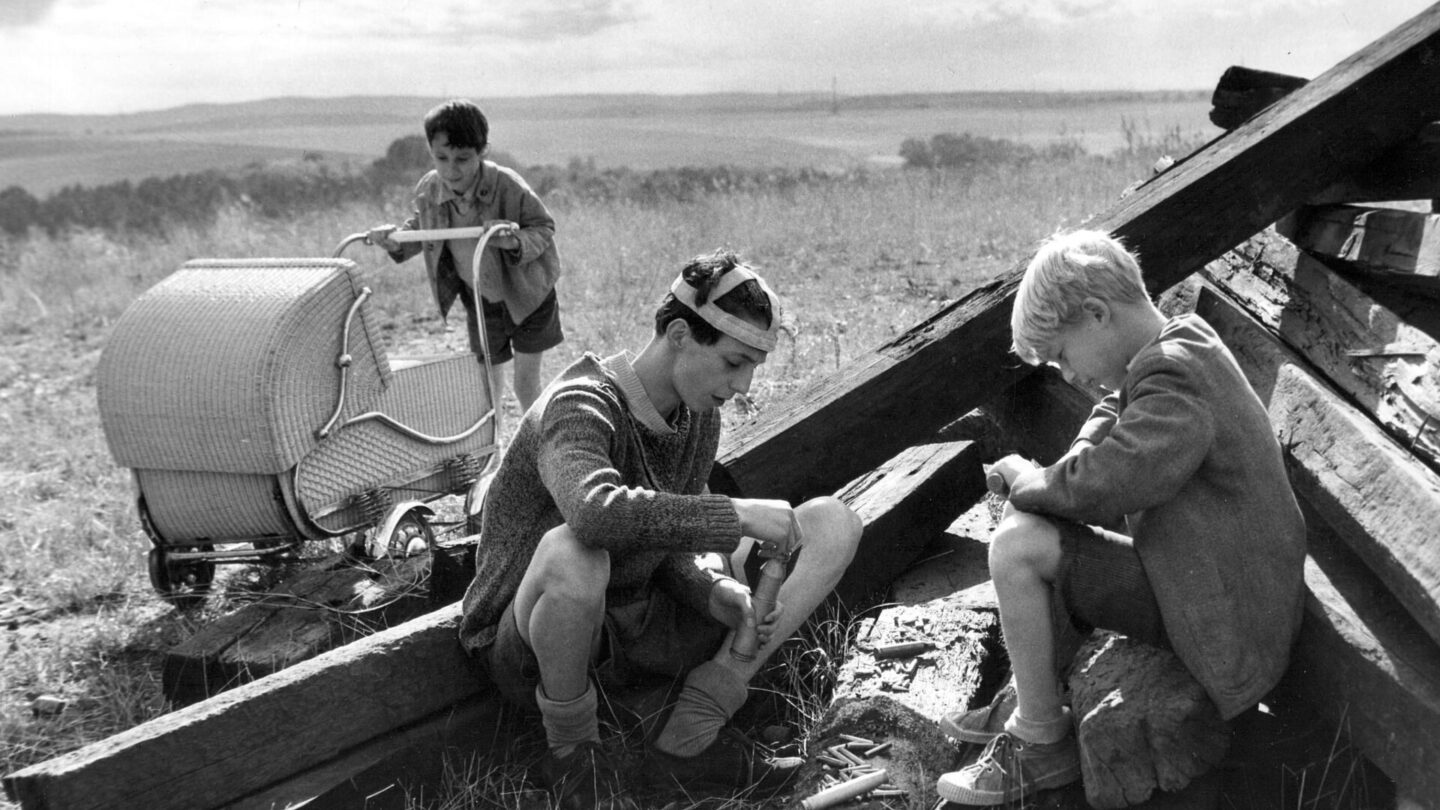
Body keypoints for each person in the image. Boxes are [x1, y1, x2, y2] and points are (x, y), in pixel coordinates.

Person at [457, 249, 863, 809]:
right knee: (576, 551)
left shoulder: (698, 416)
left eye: (752, 367)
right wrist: (736, 515)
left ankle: (692, 730)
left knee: (831, 523)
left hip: (639, 623)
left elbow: (666, 535)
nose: (743, 384)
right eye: (732, 362)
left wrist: (713, 590)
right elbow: (595, 512)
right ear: (679, 333)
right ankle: (574, 758)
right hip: (535, 644)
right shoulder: (578, 404)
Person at [935, 229, 1307, 805]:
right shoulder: (1176, 347)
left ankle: (1040, 744)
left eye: (1061, 354)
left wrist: (1033, 484)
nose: (1065, 374)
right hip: (1214, 590)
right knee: (1039, 528)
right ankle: (1028, 700)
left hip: (1225, 625)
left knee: (1018, 547)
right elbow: (1110, 414)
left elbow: (1117, 479)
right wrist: (1053, 475)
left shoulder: (1174, 376)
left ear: (1095, 314)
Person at [369, 98, 563, 414]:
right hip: (480, 297)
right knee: (486, 381)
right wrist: (394, 240)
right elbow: (421, 228)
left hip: (528, 294)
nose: (451, 169)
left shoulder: (507, 184)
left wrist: (512, 241)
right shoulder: (430, 188)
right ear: (430, 152)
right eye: (441, 158)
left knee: (525, 383)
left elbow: (543, 226)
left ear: (482, 151)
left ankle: (539, 446)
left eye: (462, 158)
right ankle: (493, 451)